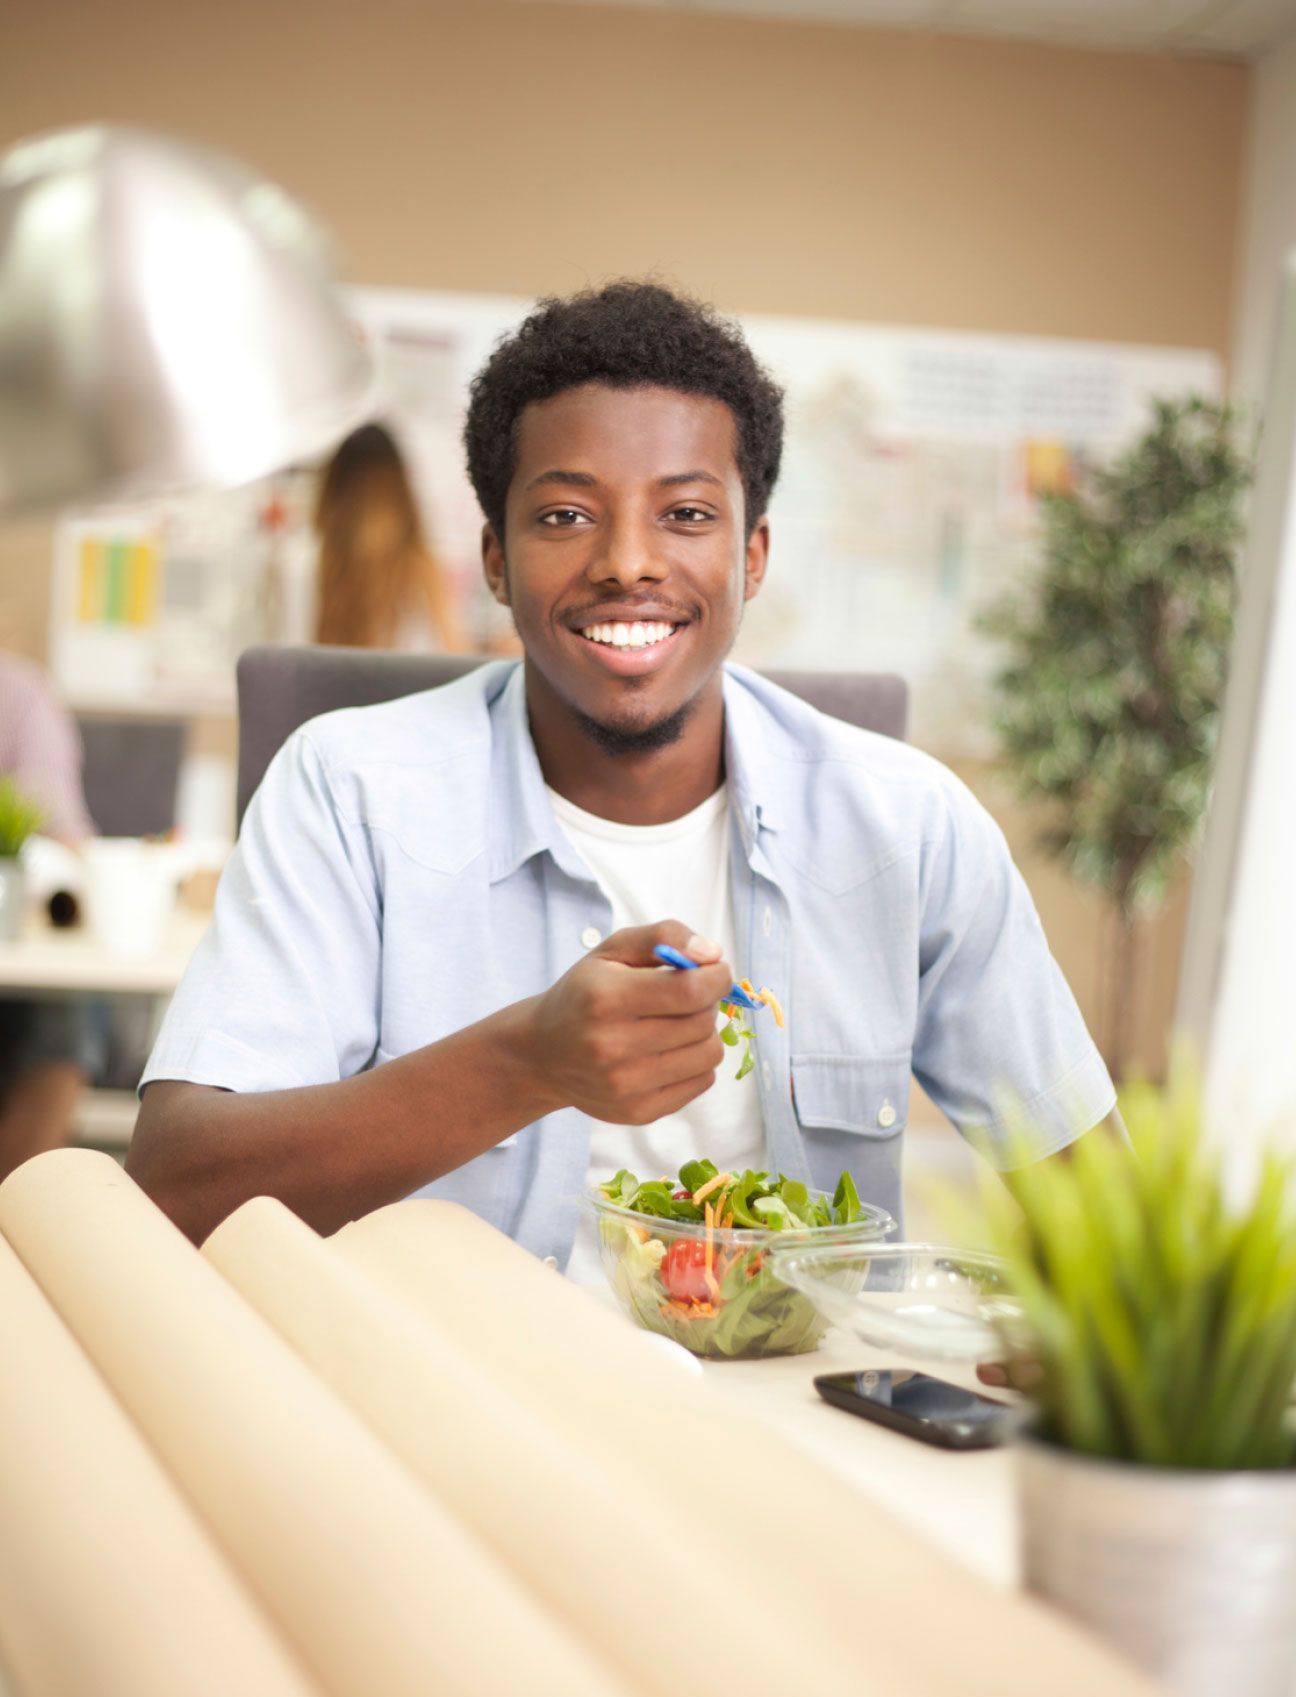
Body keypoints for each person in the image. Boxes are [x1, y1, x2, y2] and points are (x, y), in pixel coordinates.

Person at [129, 281, 1117, 1267]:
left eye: (686, 512)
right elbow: (181, 1184)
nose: (628, 562)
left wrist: (1081, 1333)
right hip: (447, 1394)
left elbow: (1106, 1211)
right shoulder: (349, 791)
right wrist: (525, 1060)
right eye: (564, 514)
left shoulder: (911, 824)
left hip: (780, 1405)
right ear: (497, 561)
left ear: (753, 555)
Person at [0, 651, 95, 1180]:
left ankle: (14, 1225)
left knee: (62, 1009)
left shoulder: (18, 694)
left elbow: (61, 834)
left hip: (22, 951)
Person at [312, 420, 469, 653]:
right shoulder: (423, 570)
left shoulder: (307, 565)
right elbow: (455, 653)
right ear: (402, 495)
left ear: (332, 491)